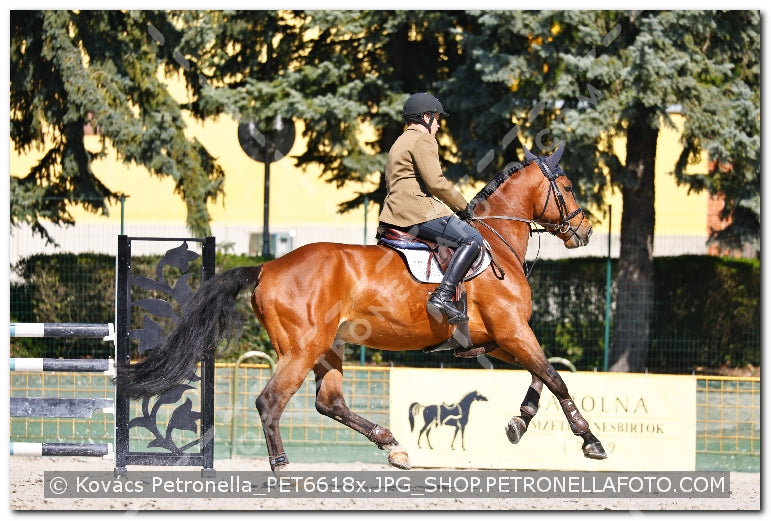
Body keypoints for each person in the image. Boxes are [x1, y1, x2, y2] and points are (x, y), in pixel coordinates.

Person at [379, 92, 484, 324]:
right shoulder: (423, 139)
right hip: (416, 211)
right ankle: (443, 295)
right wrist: (464, 208)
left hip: (393, 212)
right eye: (437, 119)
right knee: (472, 240)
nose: (438, 124)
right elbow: (436, 183)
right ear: (425, 117)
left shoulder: (400, 140)